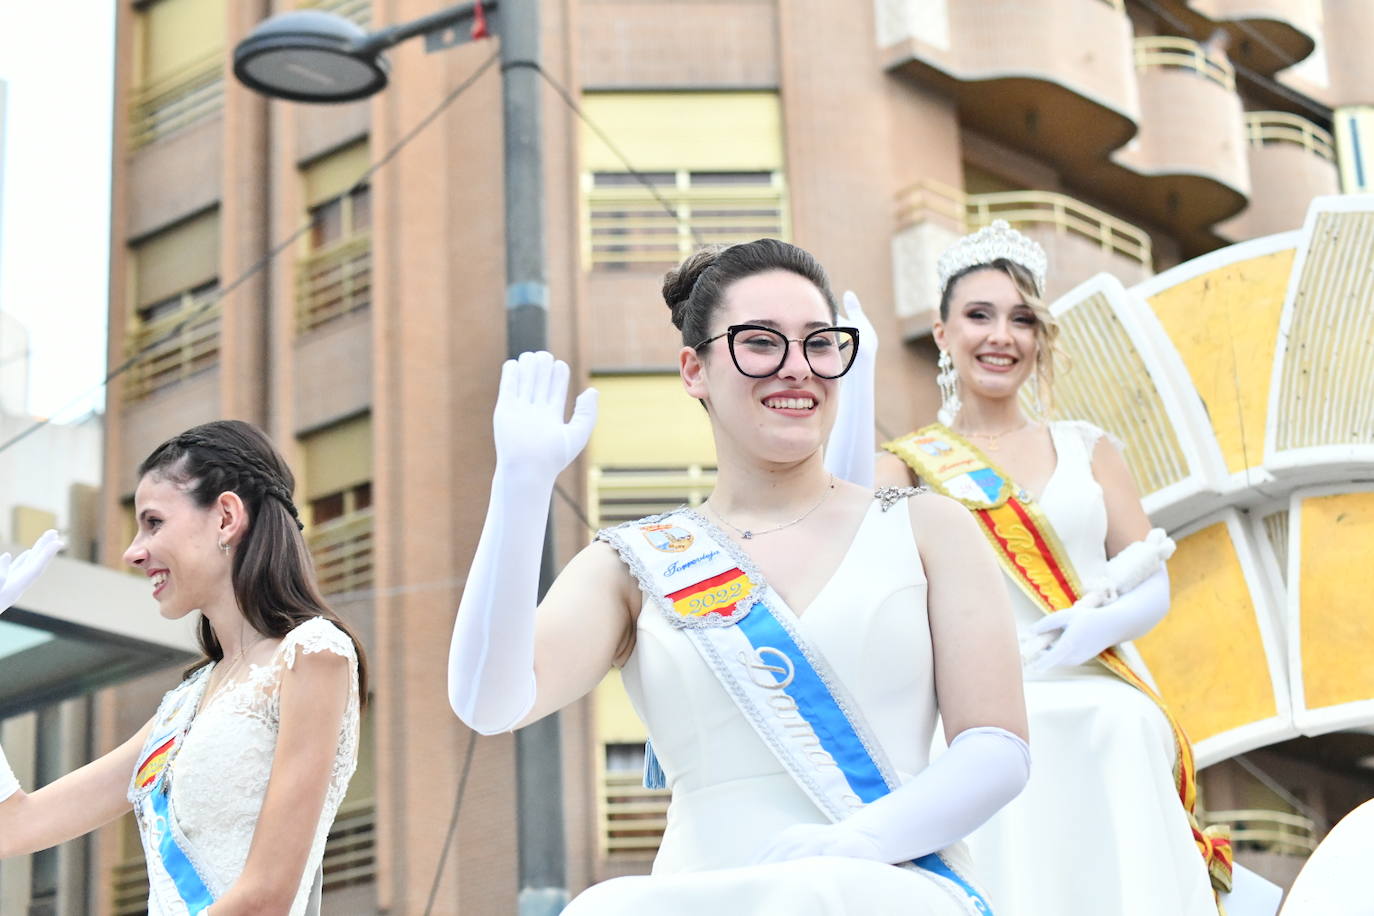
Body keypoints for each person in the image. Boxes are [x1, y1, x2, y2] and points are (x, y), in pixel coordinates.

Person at [448, 238, 1030, 914]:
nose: (797, 369)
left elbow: (996, 746)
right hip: (701, 894)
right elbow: (490, 703)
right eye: (761, 343)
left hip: (882, 885)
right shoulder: (639, 564)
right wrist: (520, 488)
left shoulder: (926, 527)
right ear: (694, 369)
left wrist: (861, 842)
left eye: (819, 343)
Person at [846, 220, 1229, 914]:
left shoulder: (1090, 449)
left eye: (1023, 319)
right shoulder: (905, 464)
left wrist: (1095, 629)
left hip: (1097, 676)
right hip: (974, 694)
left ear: (1041, 336)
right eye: (979, 316)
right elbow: (855, 571)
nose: (1002, 336)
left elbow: (1152, 575)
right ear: (941, 333)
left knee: (1122, 722)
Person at [0, 420, 366, 915]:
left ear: (226, 517)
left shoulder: (313, 654)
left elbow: (266, 896)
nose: (133, 551)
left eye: (153, 522)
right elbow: (14, 826)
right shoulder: (184, 703)